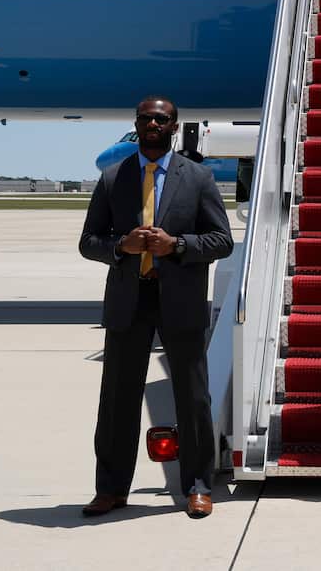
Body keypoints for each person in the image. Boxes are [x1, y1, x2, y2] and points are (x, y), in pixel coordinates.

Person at [79, 96, 235, 519]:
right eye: (146, 118)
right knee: (117, 400)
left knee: (193, 398)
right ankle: (110, 489)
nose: (153, 124)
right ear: (136, 123)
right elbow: (88, 241)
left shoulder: (198, 177)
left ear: (174, 126)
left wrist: (177, 245)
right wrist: (121, 246)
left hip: (180, 301)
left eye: (161, 119)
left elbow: (221, 240)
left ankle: (198, 486)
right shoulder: (114, 178)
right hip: (129, 301)